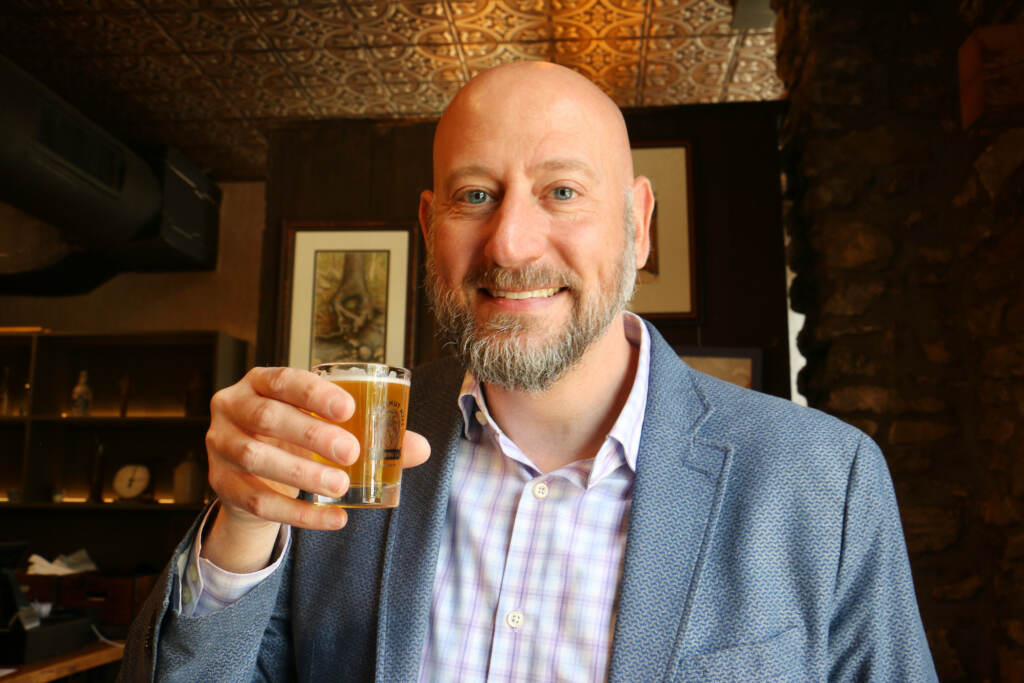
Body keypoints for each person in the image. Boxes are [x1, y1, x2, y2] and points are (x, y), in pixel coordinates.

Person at [121, 62, 937, 681]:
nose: (510, 243)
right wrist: (240, 527)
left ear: (639, 224)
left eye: (562, 191)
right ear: (429, 224)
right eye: (475, 195)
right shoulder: (339, 450)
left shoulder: (826, 480)